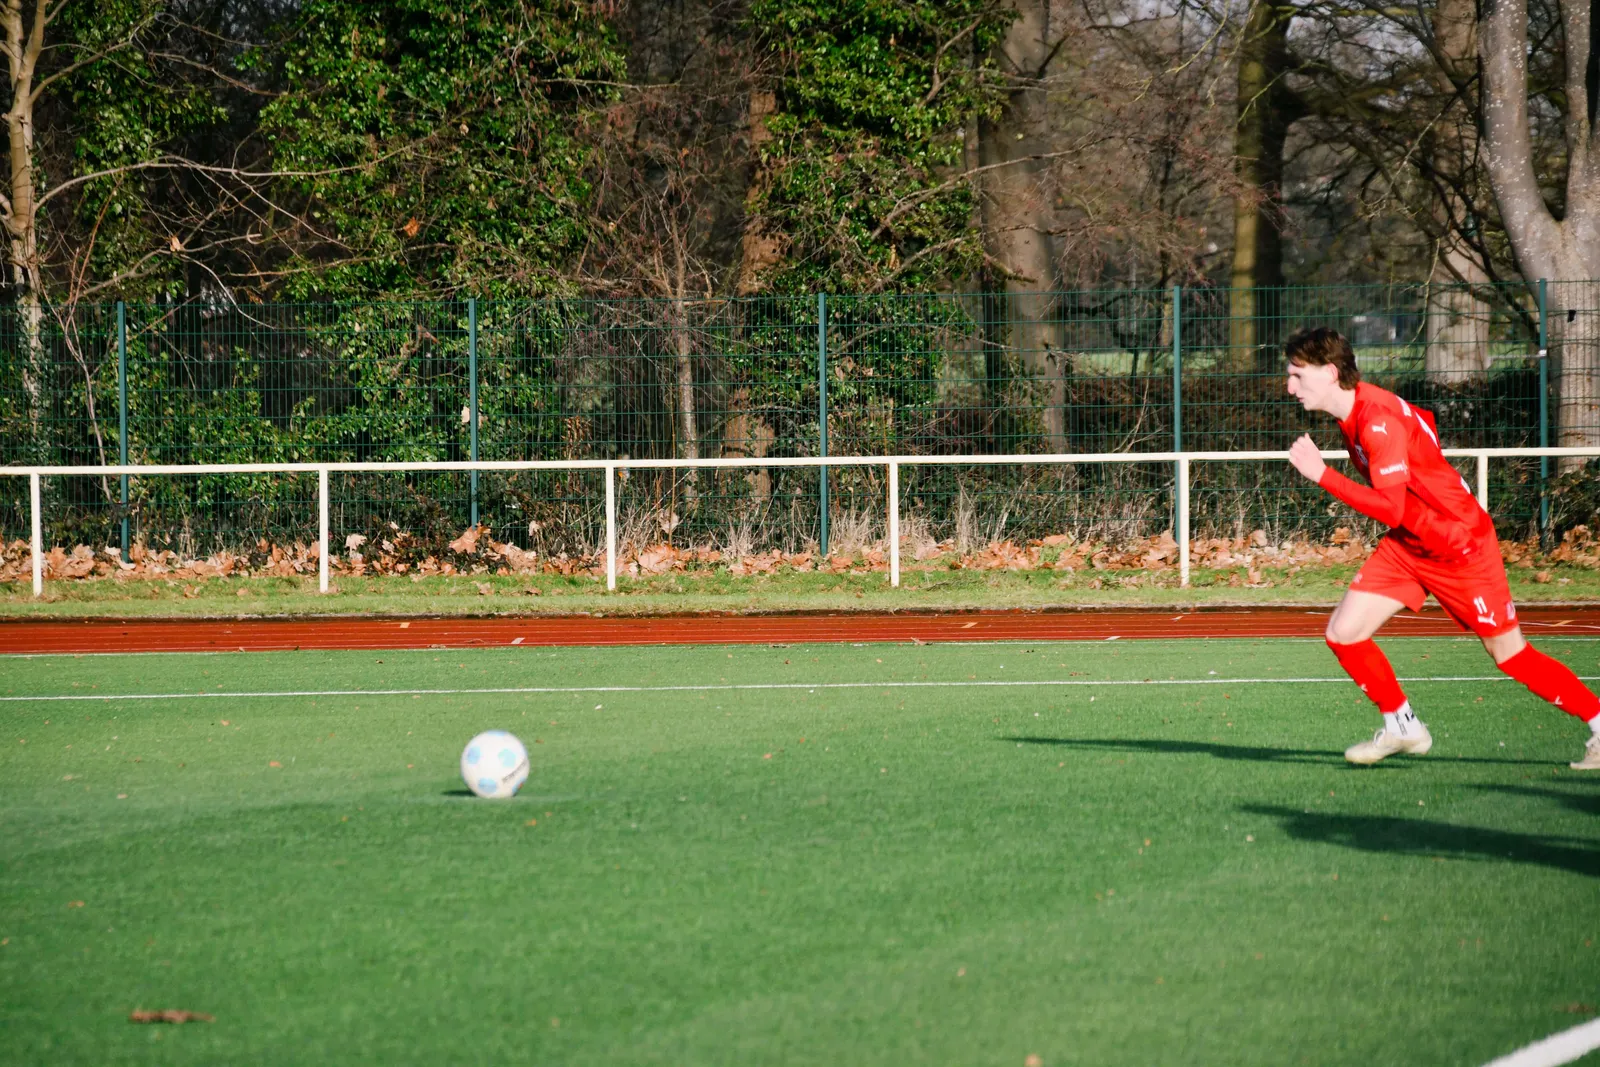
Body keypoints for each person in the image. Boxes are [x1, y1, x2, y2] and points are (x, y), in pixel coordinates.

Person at [1283, 326, 1600, 770]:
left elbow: (1391, 508)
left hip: (1458, 545)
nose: (1290, 386)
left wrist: (1322, 474)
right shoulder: (1361, 410)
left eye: (1297, 375)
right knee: (1344, 632)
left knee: (1510, 655)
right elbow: (1425, 425)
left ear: (1331, 372)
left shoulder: (1376, 421)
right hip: (1412, 543)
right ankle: (1402, 726)